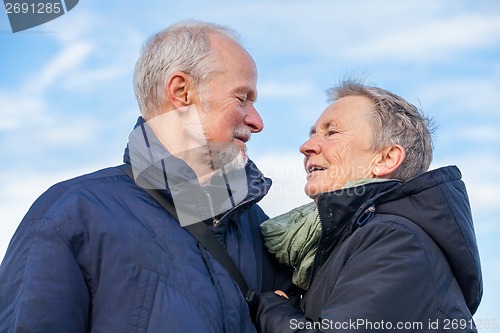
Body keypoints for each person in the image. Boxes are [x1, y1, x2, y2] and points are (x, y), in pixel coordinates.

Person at [0, 20, 291, 332]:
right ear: (181, 92)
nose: (257, 121)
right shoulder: (70, 214)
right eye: (242, 97)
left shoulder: (261, 230)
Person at [256, 79, 483, 332]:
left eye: (332, 133)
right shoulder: (338, 243)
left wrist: (273, 308)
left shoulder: (397, 240)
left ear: (386, 159)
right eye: (312, 134)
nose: (306, 147)